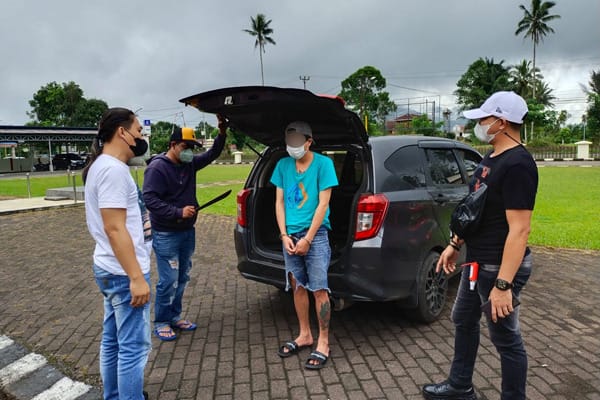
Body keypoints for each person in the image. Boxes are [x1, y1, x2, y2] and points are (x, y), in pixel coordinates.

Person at [422, 91, 538, 400]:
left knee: (506, 339)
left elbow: (520, 230)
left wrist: (503, 285)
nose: (480, 124)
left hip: (497, 267)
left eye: (484, 119)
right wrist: (454, 244)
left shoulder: (518, 165)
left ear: (501, 122)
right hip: (476, 261)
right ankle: (460, 386)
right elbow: (476, 209)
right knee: (463, 319)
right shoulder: (491, 158)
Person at [83, 108, 152, 400]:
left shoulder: (102, 165)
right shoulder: (112, 170)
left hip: (111, 268)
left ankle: (113, 395)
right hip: (124, 273)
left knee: (112, 340)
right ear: (122, 132)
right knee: (133, 348)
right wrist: (136, 277)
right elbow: (114, 228)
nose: (141, 137)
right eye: (138, 131)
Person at [142, 117, 227, 341]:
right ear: (173, 145)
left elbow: (211, 154)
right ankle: (161, 321)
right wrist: (178, 212)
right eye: (185, 146)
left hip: (187, 232)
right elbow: (150, 199)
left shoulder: (188, 164)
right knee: (168, 279)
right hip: (166, 234)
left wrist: (222, 133)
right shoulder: (157, 168)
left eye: (192, 147)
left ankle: (174, 316)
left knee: (182, 277)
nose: (189, 151)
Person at [271, 121, 338, 370]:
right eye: (289, 142)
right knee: (297, 286)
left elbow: (323, 204)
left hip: (315, 235)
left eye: (297, 142)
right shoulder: (282, 165)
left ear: (309, 141)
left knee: (319, 289)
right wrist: (283, 235)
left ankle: (323, 341)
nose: (293, 147)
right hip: (289, 236)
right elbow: (279, 203)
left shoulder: (324, 164)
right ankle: (305, 335)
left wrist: (308, 239)